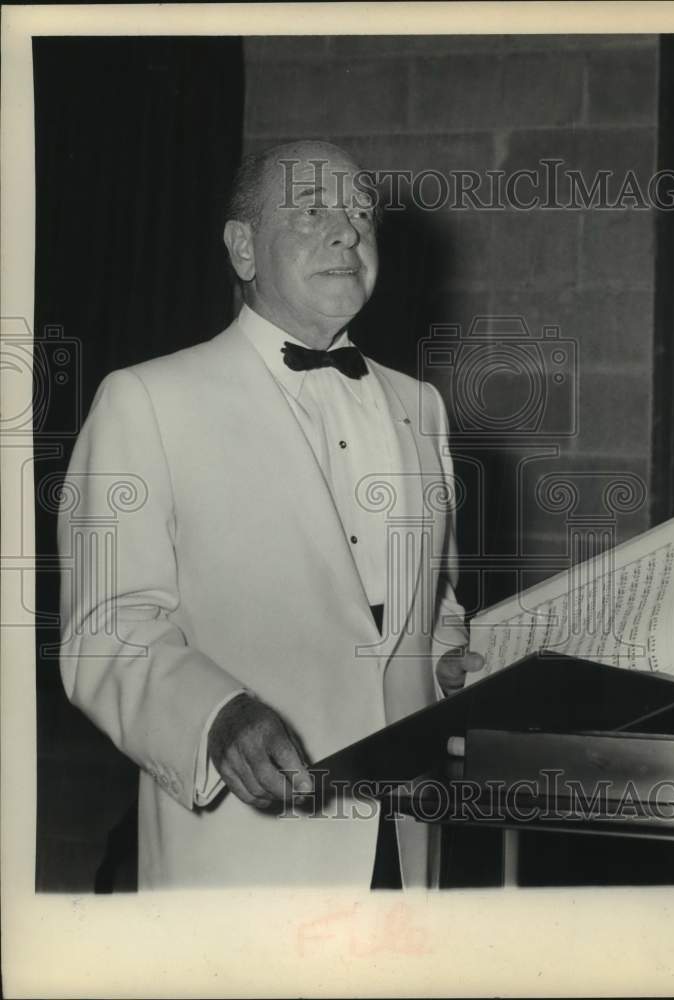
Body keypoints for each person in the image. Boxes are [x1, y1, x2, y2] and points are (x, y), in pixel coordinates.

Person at [58, 140, 482, 889]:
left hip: (407, 835)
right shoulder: (147, 401)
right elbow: (106, 630)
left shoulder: (422, 406)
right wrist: (216, 715)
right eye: (313, 212)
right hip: (244, 852)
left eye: (361, 215)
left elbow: (433, 607)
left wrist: (449, 662)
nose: (347, 232)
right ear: (244, 247)